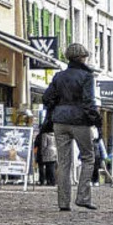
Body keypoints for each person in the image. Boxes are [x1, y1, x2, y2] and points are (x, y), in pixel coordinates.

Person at [42, 43, 101, 211]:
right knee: (88, 157)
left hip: (59, 121)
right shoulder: (86, 76)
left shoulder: (59, 76)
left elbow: (46, 97)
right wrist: (95, 119)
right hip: (80, 120)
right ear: (82, 58)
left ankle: (63, 202)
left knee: (63, 162)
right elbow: (89, 101)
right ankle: (82, 197)